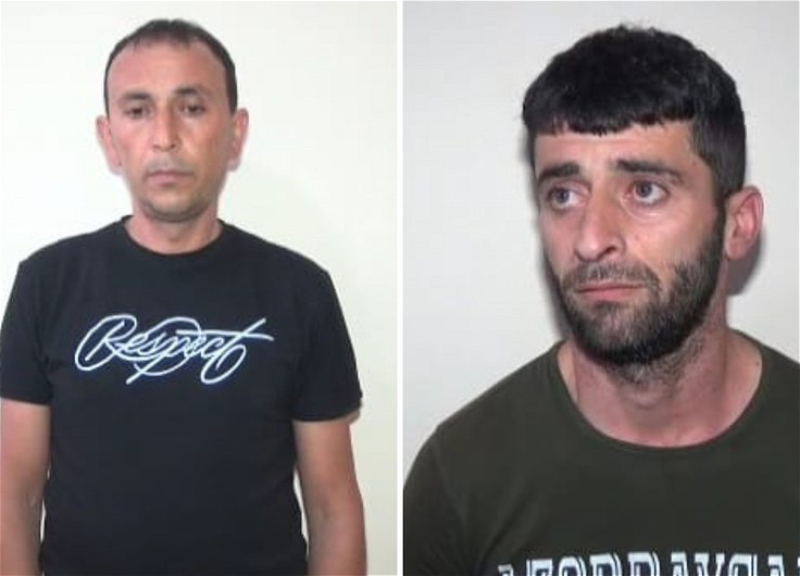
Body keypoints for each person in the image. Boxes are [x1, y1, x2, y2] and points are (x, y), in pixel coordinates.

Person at [404, 25, 799, 576]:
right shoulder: (461, 475)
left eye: (645, 190)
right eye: (563, 195)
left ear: (738, 224)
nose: (590, 240)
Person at [0, 19, 365, 576]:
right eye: (138, 110)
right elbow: (14, 495)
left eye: (191, 107)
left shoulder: (300, 291)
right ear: (109, 138)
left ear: (236, 133)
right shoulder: (47, 284)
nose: (165, 136)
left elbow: (333, 507)